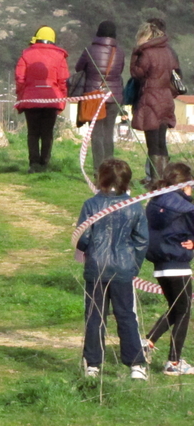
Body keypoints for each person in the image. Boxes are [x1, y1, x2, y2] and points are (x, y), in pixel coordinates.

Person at [76, 158, 149, 380]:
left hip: (96, 268)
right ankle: (136, 365)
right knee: (126, 315)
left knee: (94, 316)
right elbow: (142, 240)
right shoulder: (135, 205)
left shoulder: (91, 205)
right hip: (123, 269)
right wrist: (133, 266)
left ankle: (93, 365)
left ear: (100, 179)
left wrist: (88, 250)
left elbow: (82, 239)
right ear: (127, 181)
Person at [144, 162, 194, 375]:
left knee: (176, 309)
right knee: (183, 312)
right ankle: (173, 363)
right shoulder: (186, 206)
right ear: (185, 185)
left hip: (160, 267)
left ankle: (147, 342)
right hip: (179, 265)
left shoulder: (153, 203)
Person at [130, 18, 180, 187]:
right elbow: (176, 75)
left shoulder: (147, 53)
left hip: (150, 98)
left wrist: (135, 53)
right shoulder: (169, 52)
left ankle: (156, 181)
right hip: (166, 99)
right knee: (161, 141)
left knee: (152, 143)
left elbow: (137, 73)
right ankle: (164, 180)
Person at [15, 26, 69, 173]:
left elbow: (20, 79)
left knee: (32, 132)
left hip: (30, 99)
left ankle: (33, 164)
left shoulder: (26, 54)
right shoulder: (59, 56)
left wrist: (21, 96)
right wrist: (62, 100)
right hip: (51, 99)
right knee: (47, 132)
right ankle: (44, 163)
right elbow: (63, 81)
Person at [75, 20, 125, 172]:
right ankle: (110, 171)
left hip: (94, 96)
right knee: (108, 134)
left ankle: (99, 171)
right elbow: (120, 71)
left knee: (96, 134)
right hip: (114, 96)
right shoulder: (120, 52)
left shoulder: (89, 50)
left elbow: (78, 68)